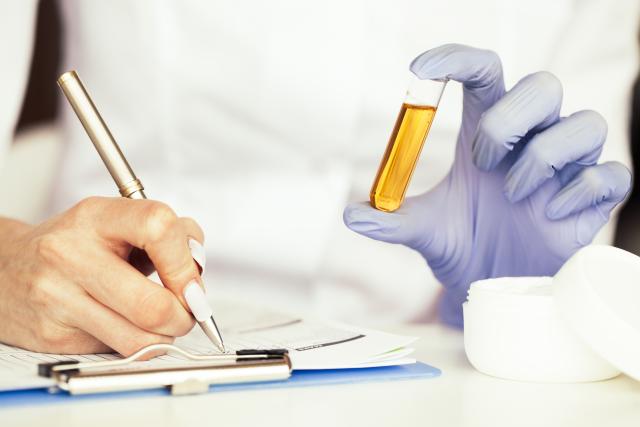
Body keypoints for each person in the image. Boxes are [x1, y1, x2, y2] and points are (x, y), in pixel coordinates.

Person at [0, 1, 637, 355]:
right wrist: (6, 263)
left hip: (431, 361)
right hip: (106, 345)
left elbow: (572, 190)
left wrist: (513, 294)